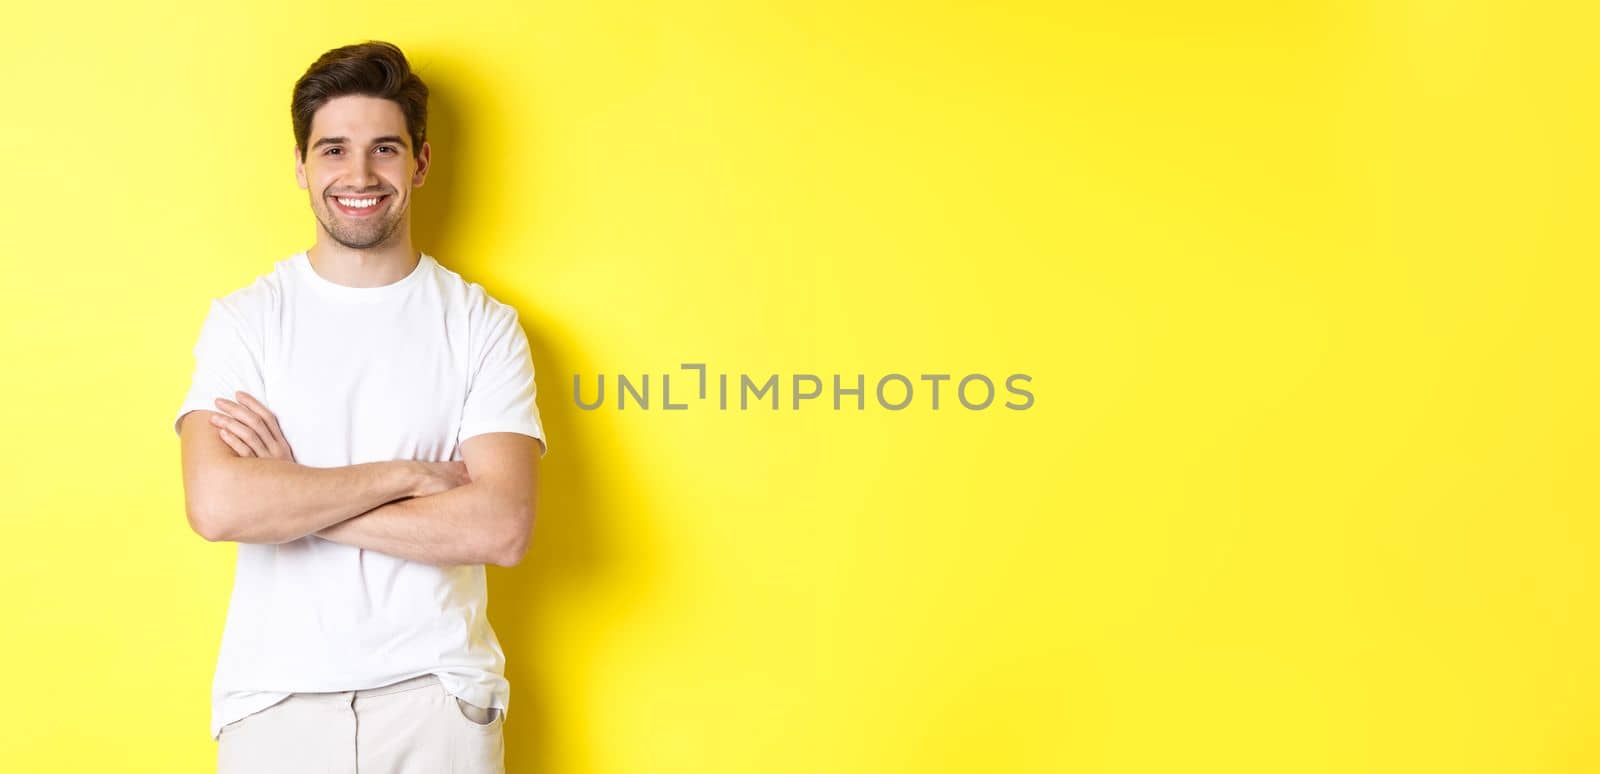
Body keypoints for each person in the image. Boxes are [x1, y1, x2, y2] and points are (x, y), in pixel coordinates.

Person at [172, 40, 546, 774]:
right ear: (302, 167)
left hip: (438, 702)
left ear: (421, 163)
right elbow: (217, 506)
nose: (359, 174)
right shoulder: (246, 320)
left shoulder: (481, 324)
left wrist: (293, 496)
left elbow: (501, 527)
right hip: (273, 706)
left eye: (384, 148)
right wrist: (410, 476)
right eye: (334, 149)